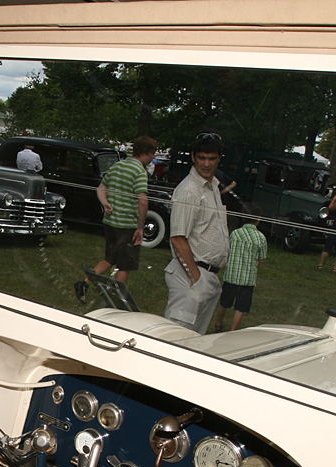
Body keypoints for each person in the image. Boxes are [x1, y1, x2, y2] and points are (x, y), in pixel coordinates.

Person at [73, 136, 158, 302]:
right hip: (127, 224)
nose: (154, 157)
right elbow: (143, 201)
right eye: (153, 153)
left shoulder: (117, 166)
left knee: (110, 258)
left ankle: (84, 283)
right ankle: (117, 299)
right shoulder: (139, 171)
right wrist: (140, 228)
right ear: (145, 153)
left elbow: (101, 188)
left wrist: (105, 203)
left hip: (111, 223)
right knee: (125, 264)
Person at [163, 130, 230, 334]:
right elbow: (177, 238)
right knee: (175, 339)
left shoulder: (212, 187)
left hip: (207, 276)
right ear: (193, 157)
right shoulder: (190, 190)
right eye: (201, 158)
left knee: (194, 343)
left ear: (219, 159)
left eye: (211, 158)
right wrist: (196, 278)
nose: (206, 164)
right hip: (191, 276)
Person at [213, 203, 267, 332]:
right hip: (247, 279)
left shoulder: (234, 234)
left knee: (224, 302)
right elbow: (261, 258)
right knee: (241, 307)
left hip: (231, 276)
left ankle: (218, 324)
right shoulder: (261, 238)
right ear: (258, 219)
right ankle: (233, 330)